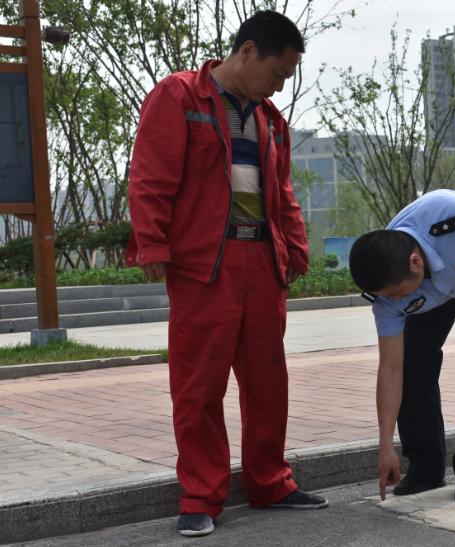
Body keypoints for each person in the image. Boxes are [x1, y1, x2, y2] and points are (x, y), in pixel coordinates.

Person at [126, 11, 327, 537]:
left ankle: (270, 482)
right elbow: (149, 174)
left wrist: (295, 250)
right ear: (247, 53)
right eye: (278, 72)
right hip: (203, 266)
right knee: (198, 385)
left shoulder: (270, 120)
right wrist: (151, 241)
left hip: (261, 262)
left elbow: (280, 193)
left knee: (268, 381)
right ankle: (200, 496)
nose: (280, 84)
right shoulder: (179, 97)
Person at [349, 189, 455, 504]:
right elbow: (391, 368)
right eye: (389, 297)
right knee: (413, 367)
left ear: (415, 262)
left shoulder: (454, 217)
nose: (395, 301)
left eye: (399, 293)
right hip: (432, 298)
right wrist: (386, 445)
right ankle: (425, 468)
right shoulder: (388, 297)